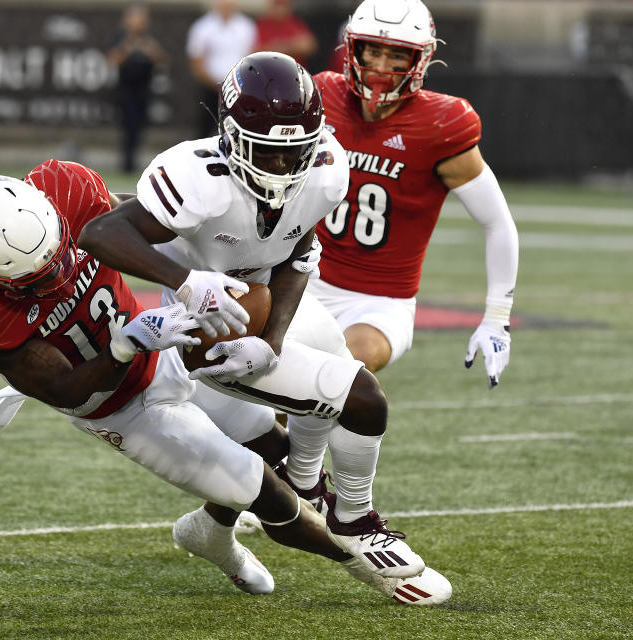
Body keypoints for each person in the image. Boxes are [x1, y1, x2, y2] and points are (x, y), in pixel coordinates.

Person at [0, 159, 450, 606]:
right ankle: (369, 565)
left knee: (279, 450)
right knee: (273, 498)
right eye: (37, 276)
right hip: (121, 409)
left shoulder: (67, 188)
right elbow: (70, 393)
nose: (58, 272)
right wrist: (124, 344)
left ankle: (208, 533)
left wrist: (202, 273)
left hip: (167, 350)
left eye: (59, 252)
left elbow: (148, 224)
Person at [76, 51, 451, 602]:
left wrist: (272, 341)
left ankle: (281, 493)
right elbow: (102, 233)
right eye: (267, 153)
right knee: (362, 397)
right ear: (229, 137)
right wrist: (186, 280)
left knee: (332, 367)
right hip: (208, 336)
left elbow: (299, 249)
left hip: (265, 308)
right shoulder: (195, 175)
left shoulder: (325, 168)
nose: (280, 167)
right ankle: (353, 520)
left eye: (292, 152)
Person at [310, 0, 519, 382]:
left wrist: (497, 318)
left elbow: (497, 222)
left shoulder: (440, 125)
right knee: (260, 384)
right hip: (303, 281)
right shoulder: (323, 95)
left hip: (379, 304)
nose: (382, 67)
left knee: (342, 367)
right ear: (354, 48)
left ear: (419, 61)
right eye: (373, 51)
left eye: (397, 56)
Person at [105, 4, 167, 174]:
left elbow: (162, 59)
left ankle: (133, 159)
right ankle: (126, 162)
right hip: (125, 89)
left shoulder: (150, 39)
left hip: (144, 89)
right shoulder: (120, 39)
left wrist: (148, 48)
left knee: (139, 125)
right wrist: (128, 47)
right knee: (127, 125)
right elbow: (112, 59)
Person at [185, 0, 255, 137]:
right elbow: (196, 60)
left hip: (239, 89)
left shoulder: (246, 26)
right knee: (205, 126)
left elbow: (251, 55)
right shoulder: (202, 27)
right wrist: (215, 85)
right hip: (210, 87)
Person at [253, 0, 317, 68]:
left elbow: (309, 46)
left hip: (296, 71)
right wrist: (293, 45)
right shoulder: (262, 25)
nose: (281, 9)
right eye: (278, 5)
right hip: (270, 72)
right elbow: (257, 52)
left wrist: (280, 47)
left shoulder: (295, 22)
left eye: (284, 5)